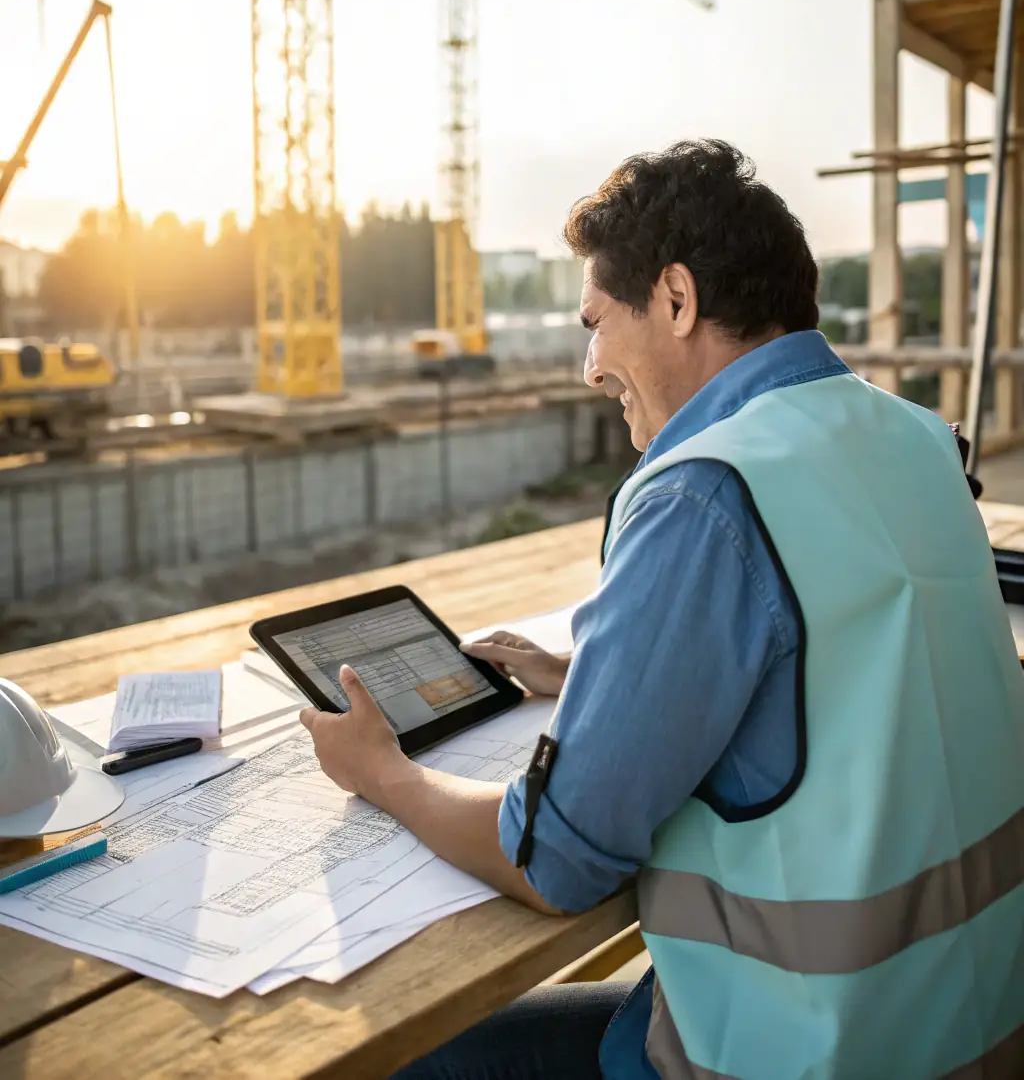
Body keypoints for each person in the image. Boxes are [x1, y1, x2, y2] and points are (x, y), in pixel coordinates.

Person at [300, 139, 1024, 1080]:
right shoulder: (917, 441)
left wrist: (383, 771)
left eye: (596, 322)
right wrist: (603, 682)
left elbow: (553, 860)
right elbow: (848, 658)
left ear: (677, 300)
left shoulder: (704, 491)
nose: (589, 366)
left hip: (797, 1045)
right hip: (967, 1023)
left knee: (385, 1058)